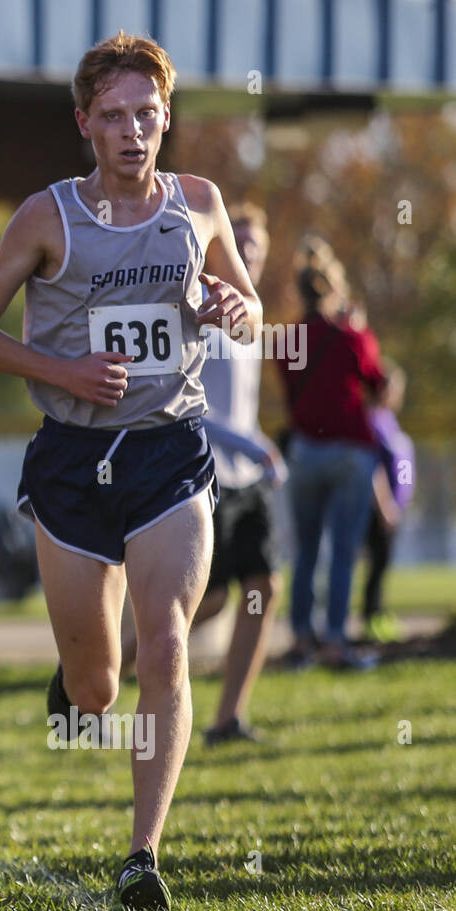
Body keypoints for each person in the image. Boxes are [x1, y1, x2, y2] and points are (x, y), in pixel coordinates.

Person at [0, 31, 260, 911]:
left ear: (166, 117)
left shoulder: (199, 203)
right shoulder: (46, 217)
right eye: (116, 116)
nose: (134, 131)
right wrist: (66, 372)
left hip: (171, 449)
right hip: (72, 462)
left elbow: (247, 316)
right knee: (97, 688)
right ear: (85, 122)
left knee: (166, 641)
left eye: (148, 114)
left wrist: (229, 306)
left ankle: (143, 855)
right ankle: (75, 680)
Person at [125, 203, 284, 745]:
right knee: (202, 603)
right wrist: (250, 446)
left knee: (264, 588)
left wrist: (261, 446)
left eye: (255, 247)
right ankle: (102, 673)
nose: (248, 256)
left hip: (247, 481)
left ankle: (227, 718)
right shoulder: (201, 313)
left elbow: (240, 410)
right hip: (205, 476)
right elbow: (196, 407)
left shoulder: (252, 322)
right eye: (238, 245)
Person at [276, 238, 386, 670]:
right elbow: (377, 383)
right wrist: (358, 330)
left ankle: (302, 639)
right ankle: (337, 641)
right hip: (349, 453)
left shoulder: (287, 340)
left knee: (305, 550)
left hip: (305, 451)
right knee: (343, 551)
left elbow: (291, 394)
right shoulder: (350, 336)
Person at [361, 359, 414, 643]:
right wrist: (384, 506)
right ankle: (372, 617)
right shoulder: (373, 421)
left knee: (384, 562)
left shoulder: (389, 421)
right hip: (379, 509)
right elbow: (374, 467)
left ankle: (379, 614)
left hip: (394, 509)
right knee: (378, 563)